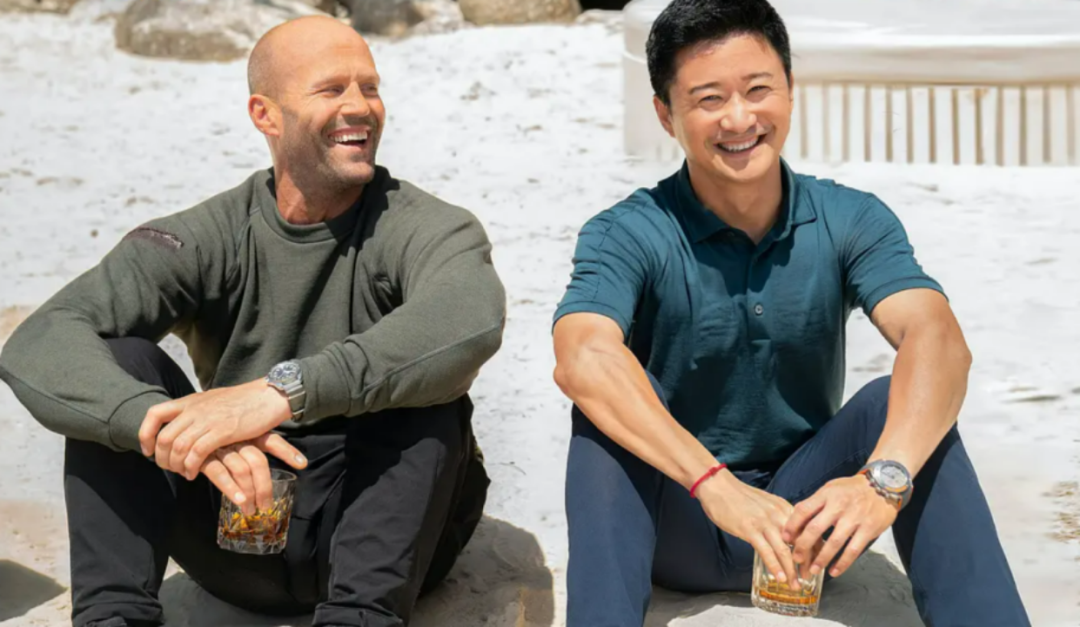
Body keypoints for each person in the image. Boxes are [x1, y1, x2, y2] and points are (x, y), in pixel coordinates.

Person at [0, 15, 505, 627]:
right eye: (331, 89)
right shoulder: (205, 236)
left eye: (370, 88)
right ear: (265, 115)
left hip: (383, 538)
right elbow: (41, 339)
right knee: (121, 363)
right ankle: (114, 617)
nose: (360, 107)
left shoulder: (430, 227)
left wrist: (277, 393)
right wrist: (162, 426)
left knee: (427, 389)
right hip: (238, 531)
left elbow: (469, 321)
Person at [551, 0, 1030, 625]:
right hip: (679, 519)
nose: (740, 118)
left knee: (902, 396)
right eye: (709, 99)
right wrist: (714, 484)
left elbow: (937, 338)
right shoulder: (628, 232)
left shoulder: (850, 218)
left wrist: (883, 480)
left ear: (791, 91)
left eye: (758, 90)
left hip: (810, 524)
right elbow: (581, 356)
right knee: (603, 409)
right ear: (666, 115)